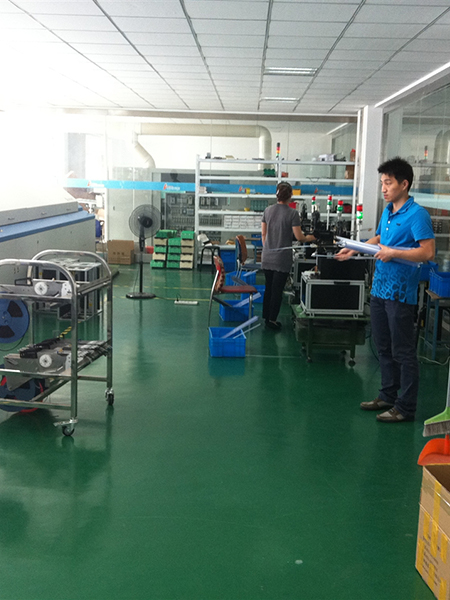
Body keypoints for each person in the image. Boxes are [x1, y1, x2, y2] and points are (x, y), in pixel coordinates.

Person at [336, 157, 435, 422]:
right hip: (380, 288)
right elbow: (379, 238)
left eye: (388, 183)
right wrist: (354, 249)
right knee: (383, 345)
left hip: (400, 292)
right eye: (382, 183)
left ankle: (406, 407)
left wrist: (394, 253)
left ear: (404, 184)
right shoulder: (388, 211)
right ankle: (388, 395)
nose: (384, 188)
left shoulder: (417, 215)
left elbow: (428, 251)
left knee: (403, 350)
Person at [261, 182, 316, 330]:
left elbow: (264, 234)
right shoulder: (292, 213)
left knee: (269, 288)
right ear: (290, 195)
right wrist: (313, 237)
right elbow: (300, 237)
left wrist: (269, 247)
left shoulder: (267, 210)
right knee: (277, 290)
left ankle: (266, 317)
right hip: (281, 259)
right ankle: (272, 320)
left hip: (267, 256)